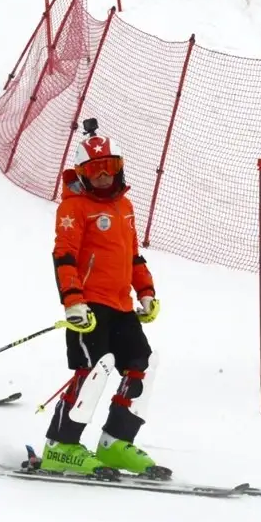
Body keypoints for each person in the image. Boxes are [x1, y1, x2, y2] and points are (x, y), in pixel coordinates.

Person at [36, 120, 167, 480]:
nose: (104, 176)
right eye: (95, 170)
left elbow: (133, 256)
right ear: (82, 172)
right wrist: (72, 302)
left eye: (109, 168)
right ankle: (60, 446)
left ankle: (115, 442)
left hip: (122, 304)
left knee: (143, 364)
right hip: (90, 306)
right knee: (94, 370)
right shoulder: (74, 207)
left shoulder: (124, 206)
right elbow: (63, 256)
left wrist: (146, 292)